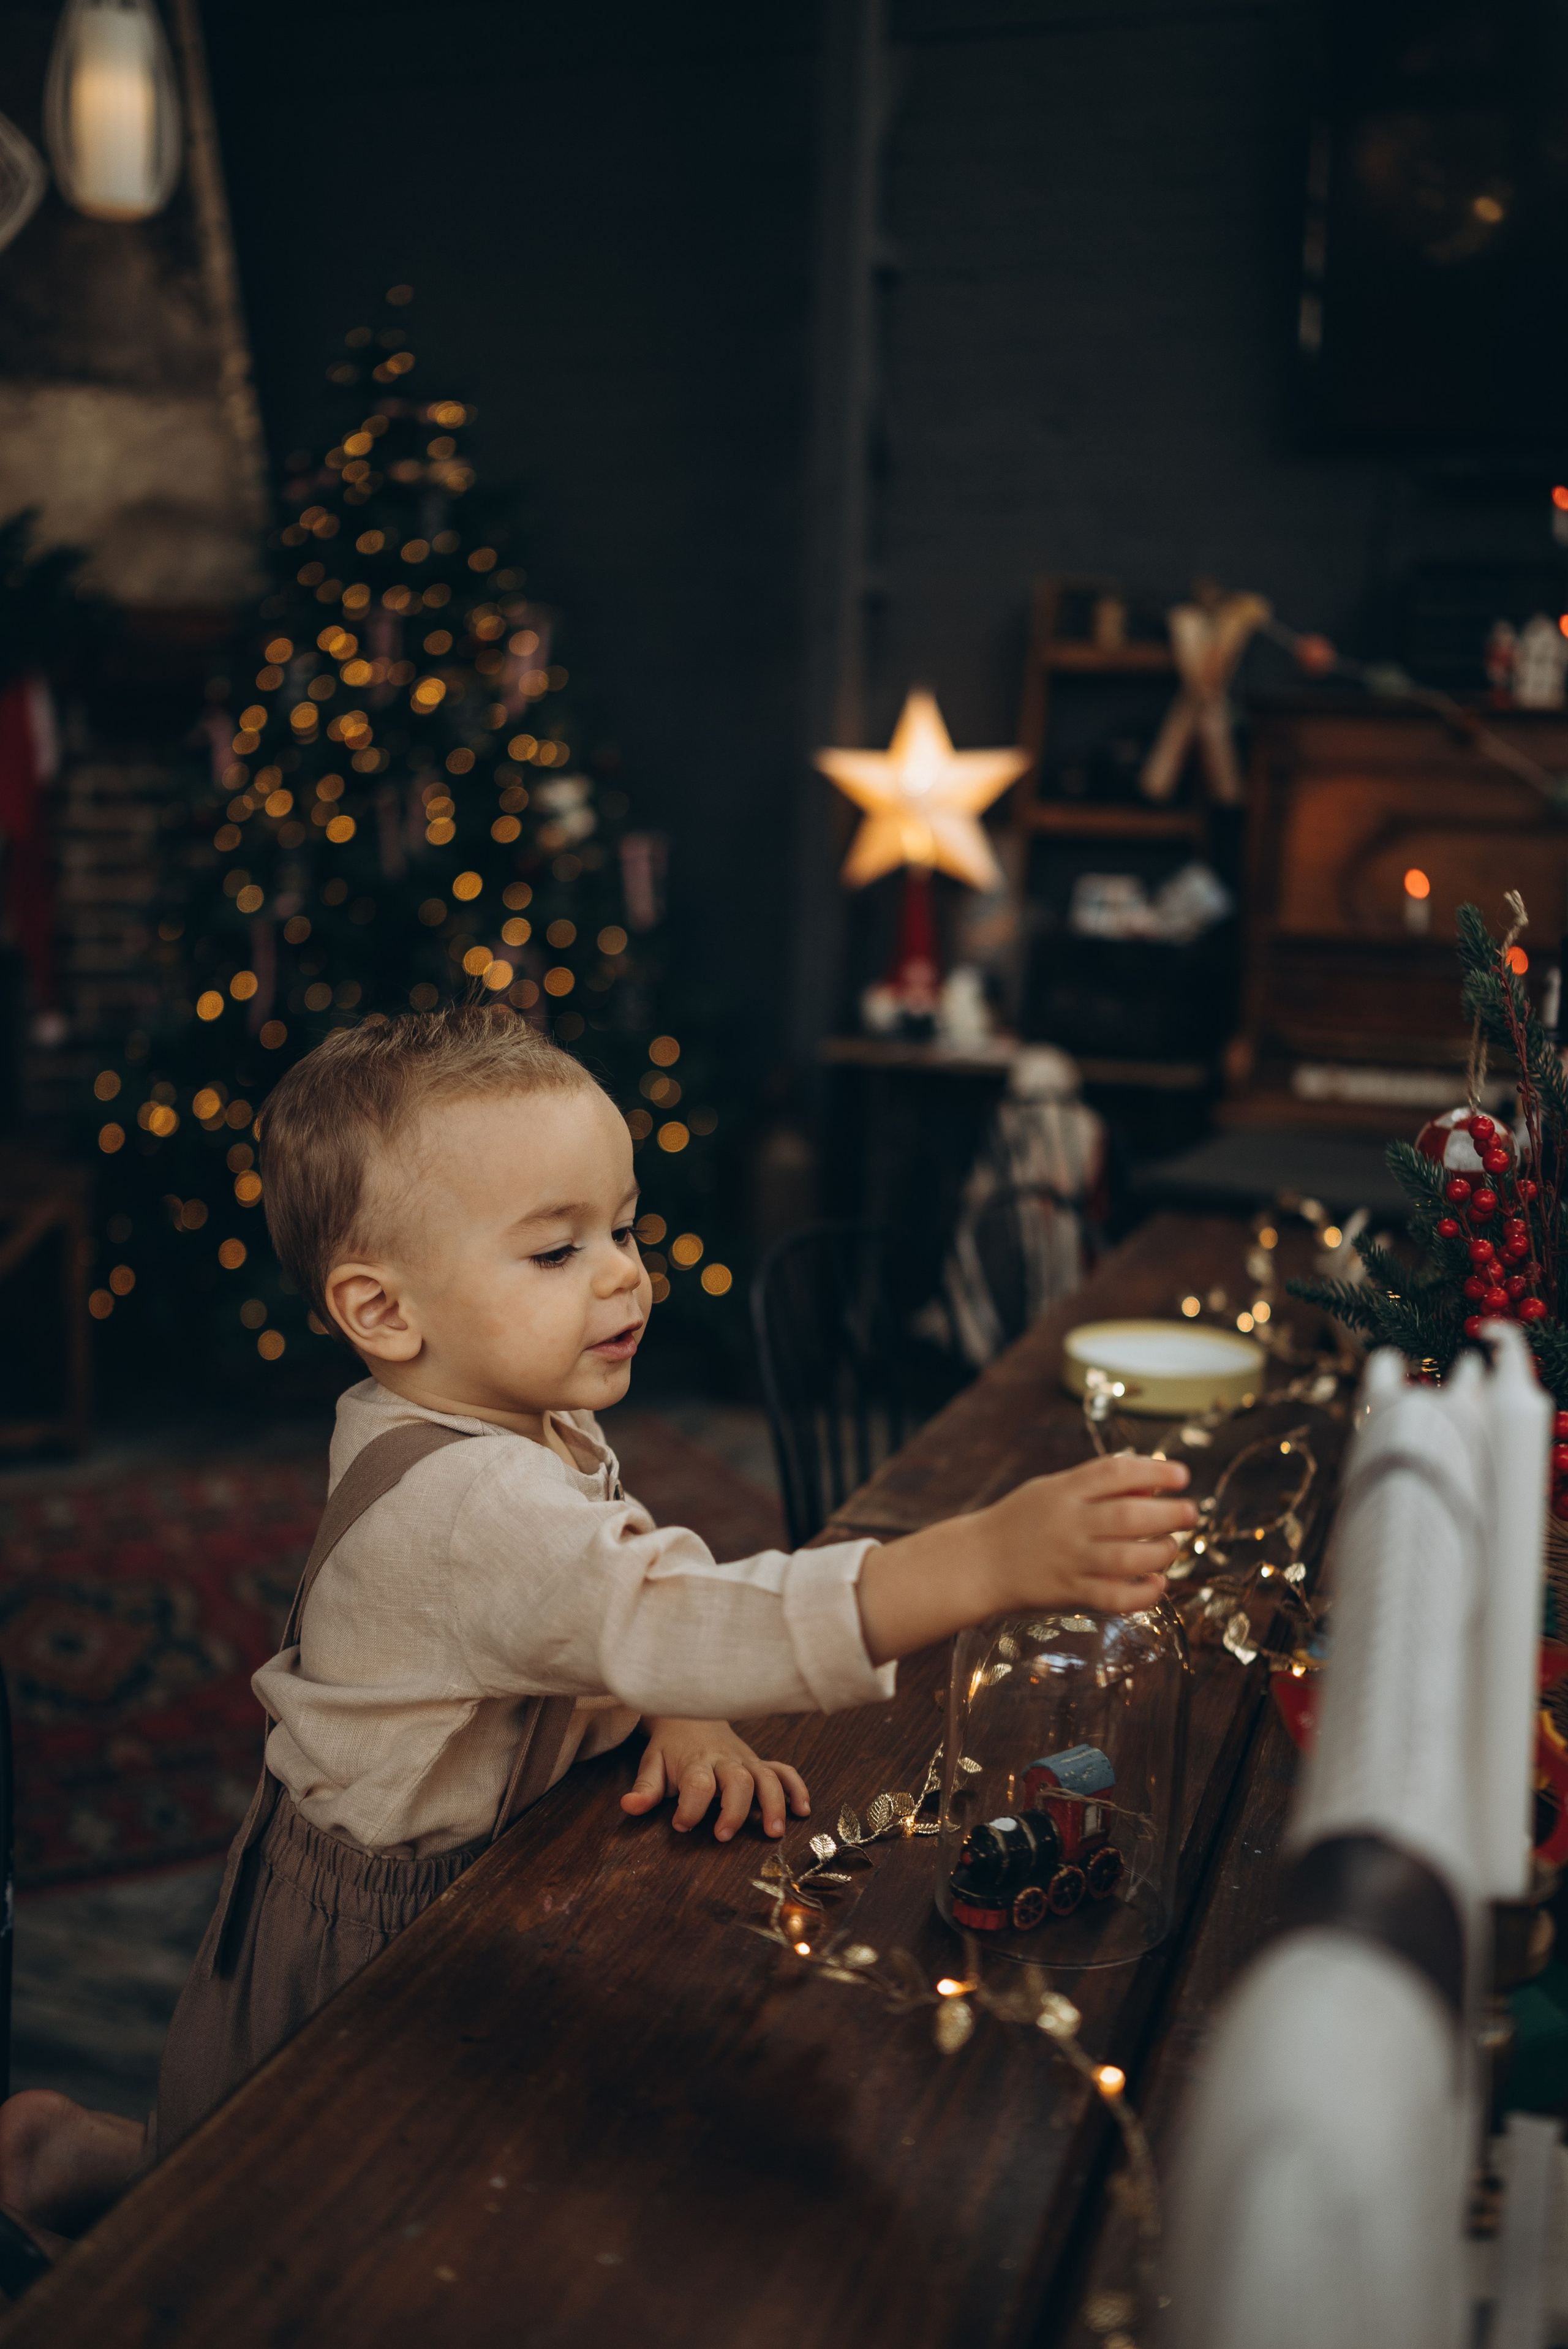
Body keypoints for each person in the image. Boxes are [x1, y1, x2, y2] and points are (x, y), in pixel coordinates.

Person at [0, 1006, 1191, 2244]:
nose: (626, 1271)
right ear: (384, 1309)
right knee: (280, 2221)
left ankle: (95, 2152)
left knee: (272, 2170)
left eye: (620, 1226)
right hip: (375, 1934)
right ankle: (78, 2163)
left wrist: (669, 1699)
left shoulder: (510, 1408)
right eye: (555, 1252)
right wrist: (977, 1557)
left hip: (478, 1874)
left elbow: (602, 1578)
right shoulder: (470, 1496)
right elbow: (649, 1604)